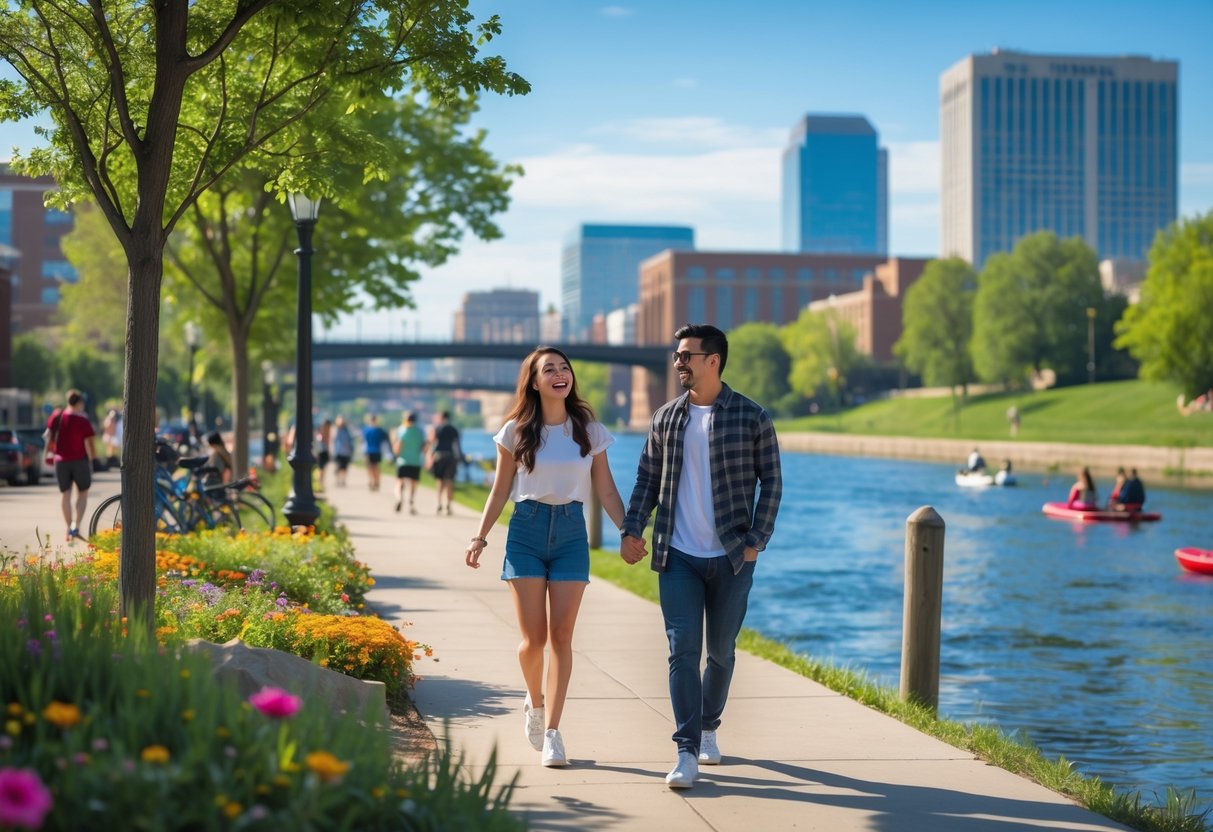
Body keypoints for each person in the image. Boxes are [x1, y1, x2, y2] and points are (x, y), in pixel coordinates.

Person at [620, 323, 782, 790]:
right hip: (679, 556)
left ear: (714, 361)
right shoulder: (666, 418)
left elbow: (771, 480)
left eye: (687, 355)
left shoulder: (753, 417)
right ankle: (686, 748)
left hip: (733, 556)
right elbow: (646, 479)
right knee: (682, 649)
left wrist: (757, 537)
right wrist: (634, 528)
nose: (678, 362)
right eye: (677, 355)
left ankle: (709, 724)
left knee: (722, 653)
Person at [465, 347, 626, 768]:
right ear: (534, 382)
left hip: (572, 532)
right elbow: (500, 490)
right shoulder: (515, 432)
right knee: (533, 641)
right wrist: (479, 537)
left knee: (563, 638)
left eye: (564, 368)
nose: (560, 374)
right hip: (527, 531)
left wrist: (627, 529)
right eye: (549, 369)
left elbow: (605, 489)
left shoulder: (588, 430)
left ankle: (553, 731)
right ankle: (533, 702)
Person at [47, 390, 97, 543]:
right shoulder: (82, 420)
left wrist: (51, 452)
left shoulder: (57, 416)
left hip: (60, 461)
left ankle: (68, 527)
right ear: (80, 403)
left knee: (66, 494)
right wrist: (94, 457)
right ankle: (76, 525)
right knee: (83, 493)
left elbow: (49, 434)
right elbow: (89, 441)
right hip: (79, 461)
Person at [392, 412, 428, 514]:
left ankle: (399, 498)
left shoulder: (401, 430)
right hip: (415, 461)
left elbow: (398, 445)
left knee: (399, 482)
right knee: (413, 483)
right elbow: (424, 447)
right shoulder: (420, 431)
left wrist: (395, 454)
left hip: (402, 461)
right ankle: (411, 500)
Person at [428, 411, 462, 515]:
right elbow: (457, 446)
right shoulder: (454, 429)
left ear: (441, 418)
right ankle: (448, 505)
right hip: (450, 457)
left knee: (439, 481)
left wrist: (430, 457)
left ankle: (439, 503)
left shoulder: (437, 428)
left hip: (439, 456)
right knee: (449, 481)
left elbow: (433, 442)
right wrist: (459, 458)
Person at [362, 414, 391, 492]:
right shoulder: (366, 430)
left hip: (377, 451)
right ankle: (372, 480)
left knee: (375, 467)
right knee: (370, 467)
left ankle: (376, 481)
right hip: (368, 451)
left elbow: (384, 443)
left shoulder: (380, 431)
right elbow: (364, 442)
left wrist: (388, 455)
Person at [332, 415, 354, 487]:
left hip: (346, 452)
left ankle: (343, 480)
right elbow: (332, 440)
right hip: (338, 451)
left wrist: (351, 449)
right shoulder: (335, 430)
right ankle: (338, 479)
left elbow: (351, 440)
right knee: (338, 466)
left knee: (344, 467)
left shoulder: (347, 430)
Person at [315, 418, 333, 491]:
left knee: (323, 469)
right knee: (321, 468)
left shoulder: (327, 433)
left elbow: (328, 444)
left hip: (324, 452)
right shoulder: (320, 432)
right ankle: (319, 483)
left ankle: (321, 482)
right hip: (321, 452)